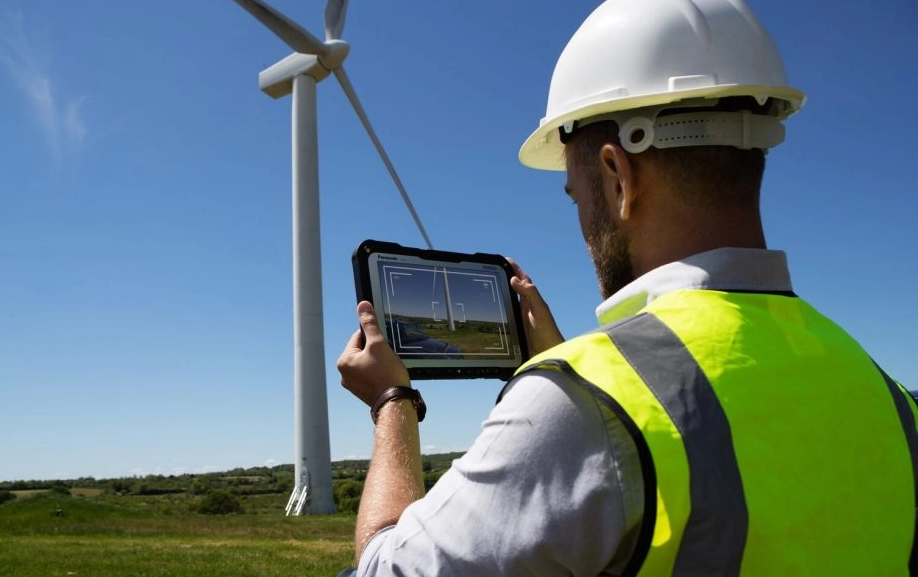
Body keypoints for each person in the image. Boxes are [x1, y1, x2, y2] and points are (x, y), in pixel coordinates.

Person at [336, 0, 918, 574]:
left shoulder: (581, 403)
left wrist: (395, 404)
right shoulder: (888, 396)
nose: (581, 222)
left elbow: (386, 567)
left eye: (575, 195)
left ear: (617, 177)